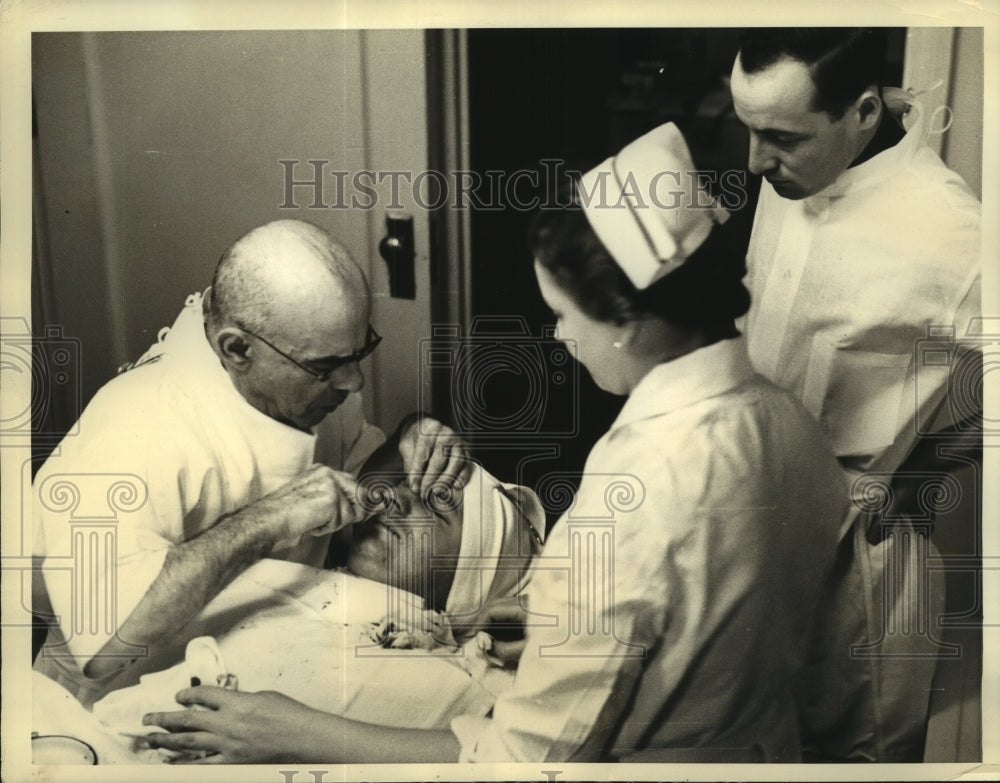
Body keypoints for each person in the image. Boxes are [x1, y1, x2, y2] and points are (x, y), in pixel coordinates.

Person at [142, 123, 849, 764]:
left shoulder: (639, 480)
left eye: (562, 314)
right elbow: (707, 612)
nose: (559, 338)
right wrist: (559, 619)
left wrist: (285, 728)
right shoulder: (793, 427)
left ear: (625, 319)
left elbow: (522, 761)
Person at [33, 219, 468, 707]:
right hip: (110, 704)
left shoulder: (314, 381)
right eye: (327, 368)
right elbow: (103, 643)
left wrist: (412, 433)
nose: (355, 383)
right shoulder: (130, 429)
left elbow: (355, 478)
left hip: (261, 668)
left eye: (361, 351)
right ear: (237, 349)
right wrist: (269, 519)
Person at [730, 28, 982, 762]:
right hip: (756, 528)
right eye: (747, 130)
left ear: (864, 113)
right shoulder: (792, 175)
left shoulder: (950, 226)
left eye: (778, 136)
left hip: (863, 563)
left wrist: (921, 468)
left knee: (850, 754)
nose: (754, 161)